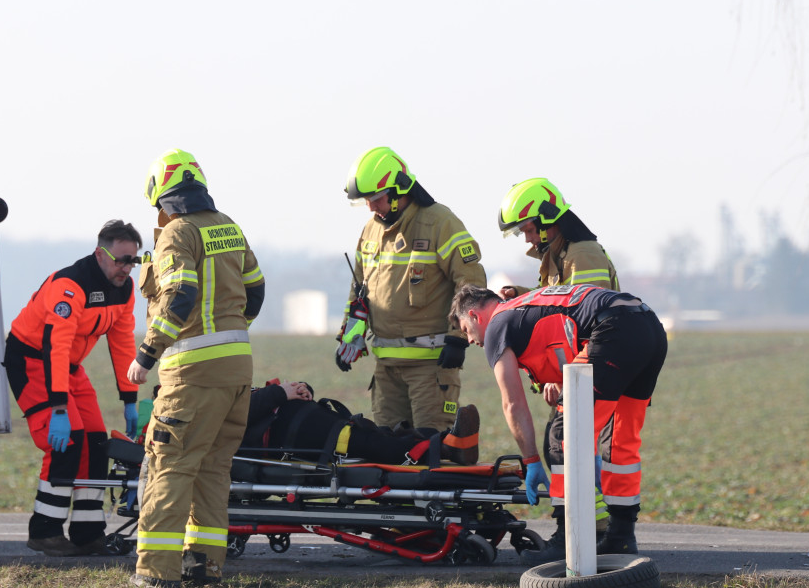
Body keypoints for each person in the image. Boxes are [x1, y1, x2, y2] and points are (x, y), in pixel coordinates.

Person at [449, 283, 667, 565]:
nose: (469, 340)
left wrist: (531, 461)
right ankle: (621, 537)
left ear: (475, 316)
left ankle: (567, 538)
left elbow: (513, 404)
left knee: (564, 435)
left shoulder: (496, 326)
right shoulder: (524, 306)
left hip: (614, 330)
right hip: (647, 324)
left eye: (466, 330)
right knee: (619, 438)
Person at [127, 148, 265, 588]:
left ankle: (154, 574)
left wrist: (147, 353)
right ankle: (202, 568)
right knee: (212, 471)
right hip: (237, 373)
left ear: (161, 199)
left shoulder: (176, 234)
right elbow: (256, 292)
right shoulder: (229, 227)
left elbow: (180, 295)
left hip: (191, 375)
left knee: (169, 466)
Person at [335, 146, 486, 461]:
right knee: (387, 454)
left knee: (434, 452)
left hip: (430, 368)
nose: (370, 207)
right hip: (386, 368)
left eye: (375, 198)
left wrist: (459, 337)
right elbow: (359, 290)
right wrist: (350, 336)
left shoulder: (439, 222)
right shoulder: (371, 230)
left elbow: (469, 280)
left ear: (397, 190)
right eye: (365, 200)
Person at [496, 177, 621, 552]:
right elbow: (559, 306)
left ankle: (584, 531)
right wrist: (523, 297)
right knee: (567, 446)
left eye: (529, 229)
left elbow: (591, 322)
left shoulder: (582, 256)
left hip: (594, 369)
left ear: (548, 218)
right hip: (579, 372)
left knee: (562, 444)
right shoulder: (560, 256)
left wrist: (567, 378)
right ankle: (593, 530)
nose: (527, 239)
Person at [4, 220, 142, 557]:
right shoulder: (71, 285)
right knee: (66, 439)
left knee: (96, 442)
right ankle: (45, 531)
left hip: (69, 366)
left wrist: (129, 398)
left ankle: (87, 533)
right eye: (121, 259)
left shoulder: (124, 290)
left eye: (133, 261)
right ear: (100, 253)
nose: (127, 268)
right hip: (33, 361)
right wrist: (60, 409)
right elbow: (56, 346)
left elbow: (123, 343)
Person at [242, 381, 480, 465]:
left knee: (372, 433)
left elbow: (249, 398)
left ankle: (447, 440)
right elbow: (235, 411)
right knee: (366, 442)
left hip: (292, 419)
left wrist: (299, 389)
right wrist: (280, 393)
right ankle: (447, 447)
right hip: (284, 434)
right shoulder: (207, 398)